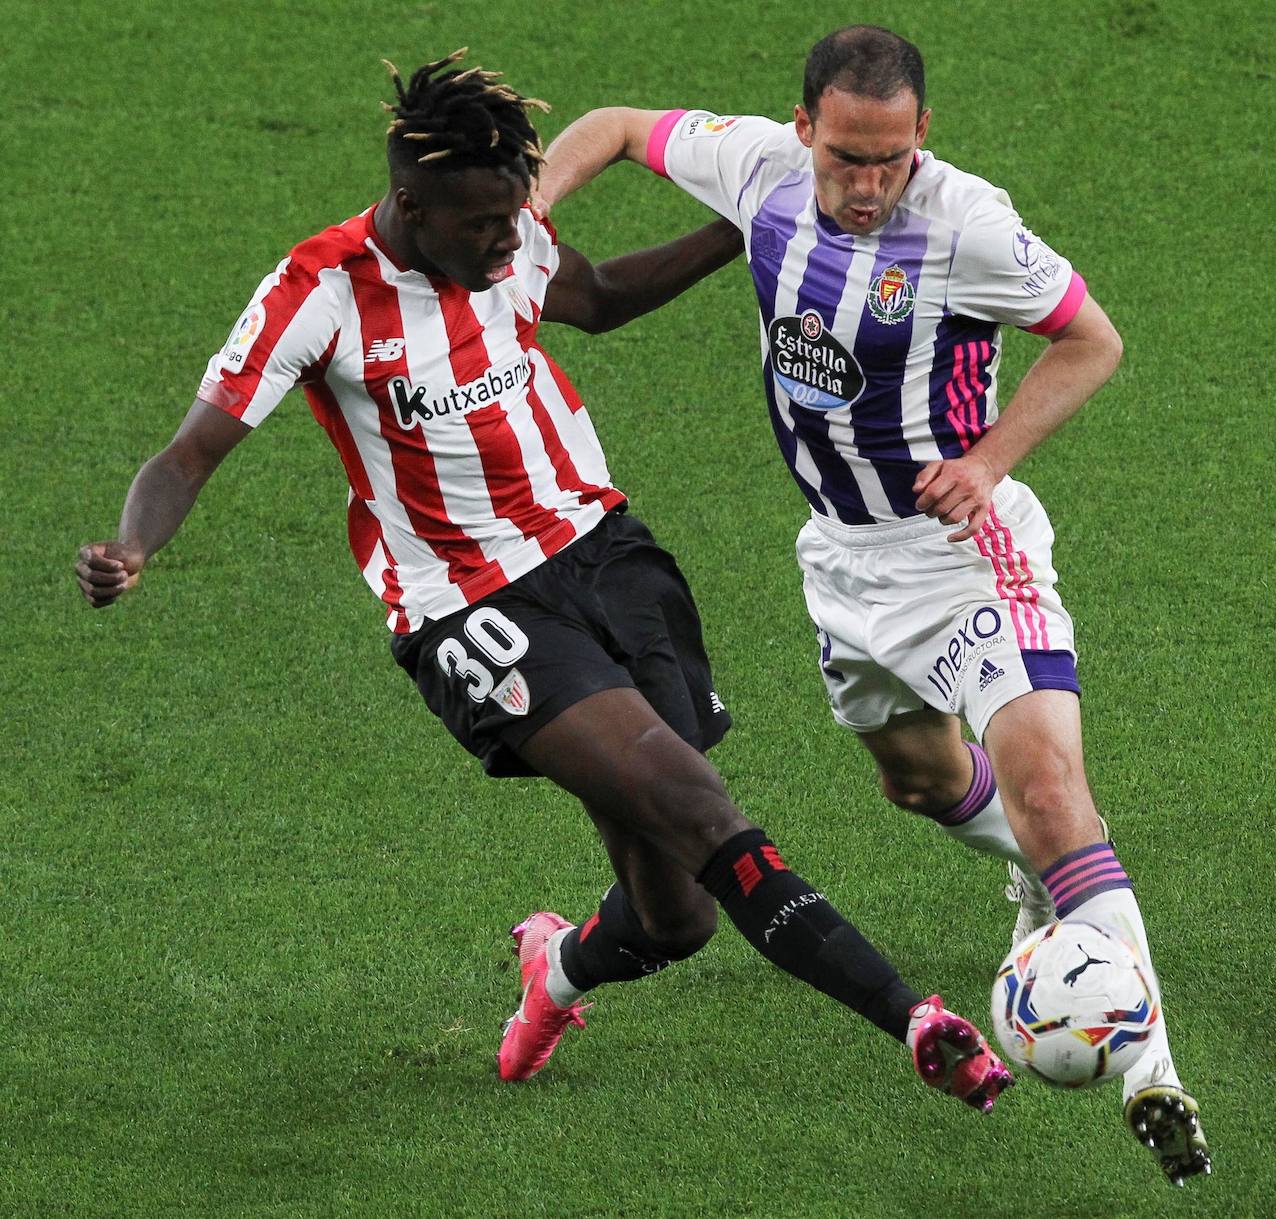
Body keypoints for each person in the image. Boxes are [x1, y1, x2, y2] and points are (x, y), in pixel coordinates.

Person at [74, 50, 1013, 1112]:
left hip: (609, 557)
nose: (510, 240)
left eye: (516, 216)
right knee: (702, 809)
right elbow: (187, 454)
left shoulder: (503, 233)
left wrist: (750, 223)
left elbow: (602, 296)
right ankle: (917, 1020)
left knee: (680, 916)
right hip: (473, 606)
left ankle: (556, 968)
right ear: (411, 206)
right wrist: (134, 546)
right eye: (481, 226)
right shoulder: (320, 292)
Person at [535, 25, 1210, 1185]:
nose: (865, 184)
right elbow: (607, 128)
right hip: (842, 565)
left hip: (960, 550)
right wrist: (524, 221)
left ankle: (1151, 1067)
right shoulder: (753, 165)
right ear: (804, 131)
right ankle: (1048, 869)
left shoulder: (967, 223)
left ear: (921, 138)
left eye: (889, 159)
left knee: (1052, 788)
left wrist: (990, 460)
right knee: (921, 783)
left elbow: (1091, 341)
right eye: (846, 157)